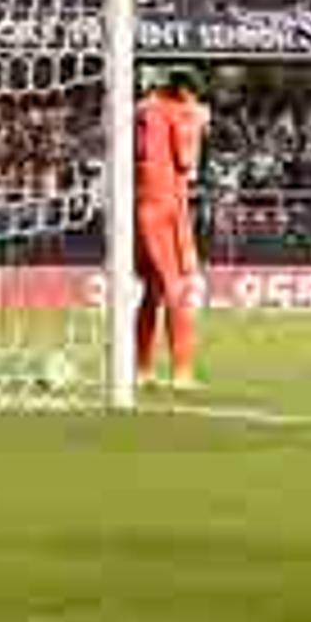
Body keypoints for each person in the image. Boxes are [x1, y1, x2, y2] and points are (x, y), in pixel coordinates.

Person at [132, 68, 209, 392]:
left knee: (153, 292)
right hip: (166, 207)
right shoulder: (182, 112)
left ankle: (141, 369)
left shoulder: (142, 109)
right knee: (178, 289)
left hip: (139, 205)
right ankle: (181, 373)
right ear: (184, 90)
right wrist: (197, 123)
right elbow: (186, 160)